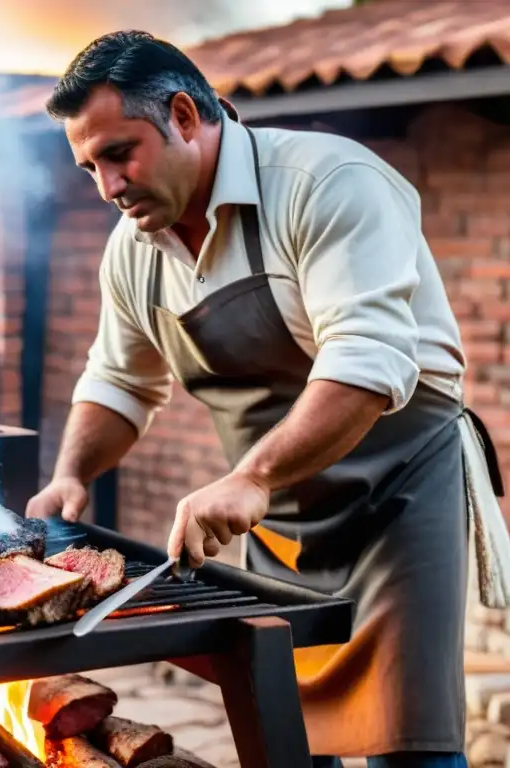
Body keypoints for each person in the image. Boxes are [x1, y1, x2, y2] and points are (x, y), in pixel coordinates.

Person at [26, 30, 510, 767]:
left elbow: (365, 361)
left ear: (184, 116)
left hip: (398, 496)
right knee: (283, 733)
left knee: (408, 741)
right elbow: (118, 380)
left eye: (119, 154)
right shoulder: (133, 250)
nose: (107, 187)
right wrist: (72, 476)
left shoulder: (328, 182)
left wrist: (250, 476)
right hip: (277, 515)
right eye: (89, 165)